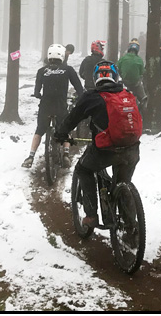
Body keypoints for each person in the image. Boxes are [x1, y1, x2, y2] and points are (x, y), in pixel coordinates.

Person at [55, 60, 141, 229]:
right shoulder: (127, 94)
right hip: (132, 149)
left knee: (83, 169)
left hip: (106, 151)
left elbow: (73, 118)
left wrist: (61, 134)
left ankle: (91, 215)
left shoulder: (92, 96)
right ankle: (131, 226)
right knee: (123, 182)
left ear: (96, 78)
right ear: (115, 77)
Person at [22, 43, 84, 168]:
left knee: (39, 130)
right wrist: (80, 96)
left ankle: (31, 156)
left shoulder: (41, 71)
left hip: (45, 106)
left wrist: (38, 94)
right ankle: (66, 154)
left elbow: (37, 91)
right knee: (66, 129)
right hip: (60, 105)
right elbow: (78, 87)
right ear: (62, 56)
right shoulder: (68, 70)